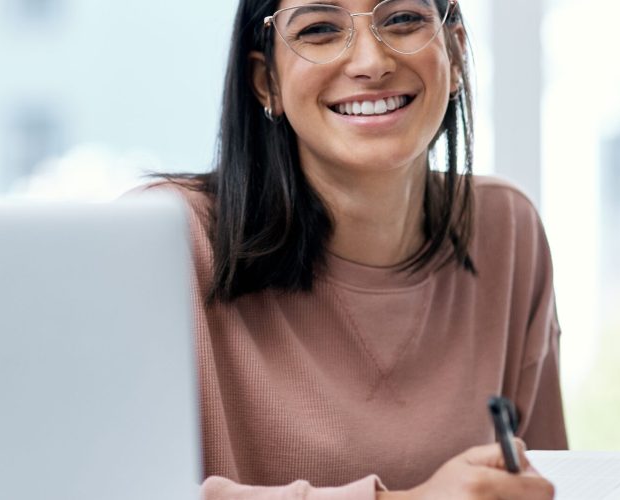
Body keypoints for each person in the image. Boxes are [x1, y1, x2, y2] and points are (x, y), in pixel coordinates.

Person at [143, 0, 567, 498]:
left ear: (455, 53)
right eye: (320, 29)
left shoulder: (506, 231)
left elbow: (547, 483)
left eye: (403, 19)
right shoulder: (163, 241)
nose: (371, 61)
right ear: (267, 83)